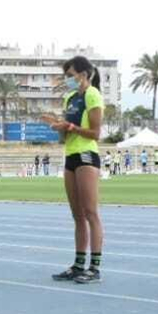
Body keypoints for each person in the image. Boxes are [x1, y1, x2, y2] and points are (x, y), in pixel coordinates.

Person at [44, 56, 105, 284]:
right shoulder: (70, 97)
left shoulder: (93, 94)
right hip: (70, 155)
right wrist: (58, 127)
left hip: (87, 155)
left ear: (84, 74)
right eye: (66, 76)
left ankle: (94, 267)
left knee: (90, 212)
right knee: (77, 215)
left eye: (71, 75)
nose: (68, 80)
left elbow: (95, 133)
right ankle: (78, 264)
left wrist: (69, 126)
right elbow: (65, 136)